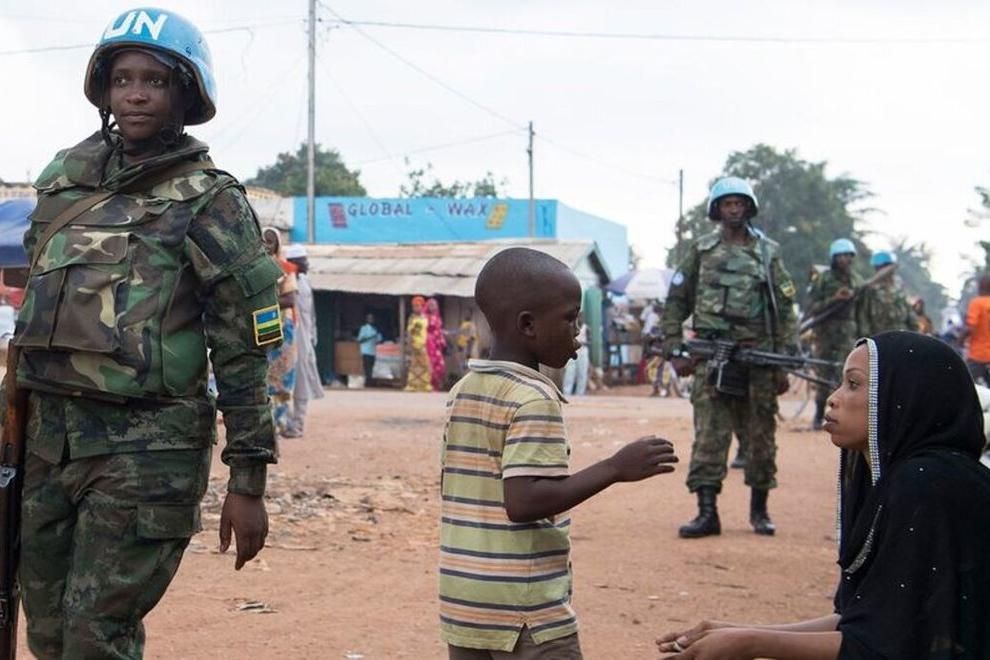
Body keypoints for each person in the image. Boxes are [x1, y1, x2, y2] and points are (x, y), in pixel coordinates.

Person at [7, 8, 280, 657]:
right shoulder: (63, 182)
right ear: (103, 89)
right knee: (47, 633)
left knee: (95, 638)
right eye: (122, 79)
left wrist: (247, 482)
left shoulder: (210, 199)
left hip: (148, 453)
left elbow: (242, 351)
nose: (135, 94)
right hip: (50, 446)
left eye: (155, 81)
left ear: (186, 93)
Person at [657, 332, 990, 659]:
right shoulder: (912, 477)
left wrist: (749, 643)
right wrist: (732, 631)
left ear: (904, 397)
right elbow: (866, 622)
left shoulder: (926, 486)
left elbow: (882, 647)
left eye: (854, 384)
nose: (833, 398)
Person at [440, 247, 678, 659]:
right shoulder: (533, 399)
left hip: (463, 598)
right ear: (528, 325)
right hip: (525, 607)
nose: (578, 333)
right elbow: (524, 501)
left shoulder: (463, 391)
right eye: (570, 319)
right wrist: (615, 468)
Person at [661, 176, 797, 538]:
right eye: (727, 204)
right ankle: (707, 513)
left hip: (757, 358)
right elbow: (676, 302)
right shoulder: (701, 251)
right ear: (717, 210)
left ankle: (760, 512)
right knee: (709, 436)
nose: (733, 209)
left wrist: (784, 360)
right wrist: (674, 347)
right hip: (712, 359)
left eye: (739, 203)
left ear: (748, 208)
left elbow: (785, 309)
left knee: (761, 438)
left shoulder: (768, 252)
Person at [806, 238, 863, 430]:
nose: (844, 259)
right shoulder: (823, 279)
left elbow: (862, 312)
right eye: (840, 256)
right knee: (822, 374)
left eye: (848, 256)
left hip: (848, 334)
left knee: (846, 375)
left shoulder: (857, 281)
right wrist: (834, 299)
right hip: (825, 333)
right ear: (833, 258)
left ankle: (842, 418)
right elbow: (813, 307)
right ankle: (818, 415)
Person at [283, 244, 324, 437]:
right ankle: (284, 422)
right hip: (288, 339)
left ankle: (297, 424)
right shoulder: (284, 281)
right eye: (303, 260)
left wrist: (312, 336)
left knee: (302, 383)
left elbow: (312, 313)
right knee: (282, 383)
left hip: (305, 340)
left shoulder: (306, 282)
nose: (307, 263)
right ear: (294, 263)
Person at [262, 227, 298, 435]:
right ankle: (266, 422)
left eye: (271, 241)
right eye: (263, 241)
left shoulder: (285, 268)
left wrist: (264, 301)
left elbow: (290, 299)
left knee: (283, 374)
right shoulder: (254, 269)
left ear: (277, 245)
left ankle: (281, 420)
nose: (267, 245)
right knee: (264, 373)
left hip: (283, 327)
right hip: (262, 325)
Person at [855, 251, 917, 336]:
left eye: (888, 266)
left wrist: (914, 328)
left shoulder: (899, 285)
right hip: (879, 331)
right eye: (880, 267)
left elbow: (908, 308)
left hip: (900, 329)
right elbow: (863, 314)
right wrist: (865, 336)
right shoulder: (870, 288)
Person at [960, 274, 990, 387]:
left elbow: (971, 327)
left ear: (981, 286)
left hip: (979, 355)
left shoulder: (977, 303)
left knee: (964, 383)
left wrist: (960, 340)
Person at [404, 295, 432, 392]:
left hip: (423, 344)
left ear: (422, 306)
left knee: (425, 365)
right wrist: (409, 343)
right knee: (413, 366)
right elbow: (409, 332)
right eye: (414, 306)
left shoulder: (425, 318)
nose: (416, 308)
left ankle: (424, 385)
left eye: (418, 306)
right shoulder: (412, 318)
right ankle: (412, 385)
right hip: (414, 344)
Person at [562, 313, 590, 396]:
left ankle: (580, 393)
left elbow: (590, 341)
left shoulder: (586, 328)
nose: (580, 319)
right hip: (573, 350)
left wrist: (582, 343)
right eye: (578, 317)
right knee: (570, 372)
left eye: (581, 317)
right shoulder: (572, 327)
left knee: (582, 372)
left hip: (583, 350)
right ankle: (567, 393)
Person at [426, 297, 447, 391]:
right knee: (431, 363)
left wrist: (442, 336)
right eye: (430, 305)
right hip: (429, 343)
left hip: (437, 344)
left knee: (440, 365)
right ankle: (429, 385)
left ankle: (436, 385)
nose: (433, 307)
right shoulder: (425, 317)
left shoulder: (438, 317)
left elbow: (439, 329)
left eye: (434, 305)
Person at [357, 313, 383, 385]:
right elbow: (360, 340)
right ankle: (368, 383)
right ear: (367, 319)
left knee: (371, 368)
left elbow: (378, 340)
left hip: (373, 352)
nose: (371, 320)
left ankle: (370, 382)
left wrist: (378, 336)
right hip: (365, 351)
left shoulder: (375, 329)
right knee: (367, 368)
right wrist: (370, 337)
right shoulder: (364, 328)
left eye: (372, 318)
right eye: (369, 318)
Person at [453, 313, 478, 378]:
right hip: (466, 341)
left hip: (466, 341)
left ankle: (465, 364)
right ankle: (465, 364)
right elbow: (461, 331)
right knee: (465, 354)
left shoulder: (467, 324)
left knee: (465, 353)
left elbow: (459, 331)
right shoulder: (471, 325)